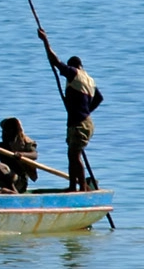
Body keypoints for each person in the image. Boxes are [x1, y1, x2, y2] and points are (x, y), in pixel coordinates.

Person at [38, 26, 103, 191]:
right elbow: (99, 98)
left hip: (80, 123)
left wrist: (45, 41)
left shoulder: (75, 74)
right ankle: (73, 186)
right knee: (72, 156)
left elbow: (55, 62)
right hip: (82, 122)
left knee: (74, 156)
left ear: (75, 66)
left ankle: (81, 187)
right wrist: (85, 110)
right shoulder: (90, 80)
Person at [0, 117, 39, 194]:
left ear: (14, 132)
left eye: (8, 131)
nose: (4, 134)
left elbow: (34, 155)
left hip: (19, 183)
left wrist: (21, 154)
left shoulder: (24, 145)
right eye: (3, 131)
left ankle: (14, 192)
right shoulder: (2, 147)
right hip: (3, 181)